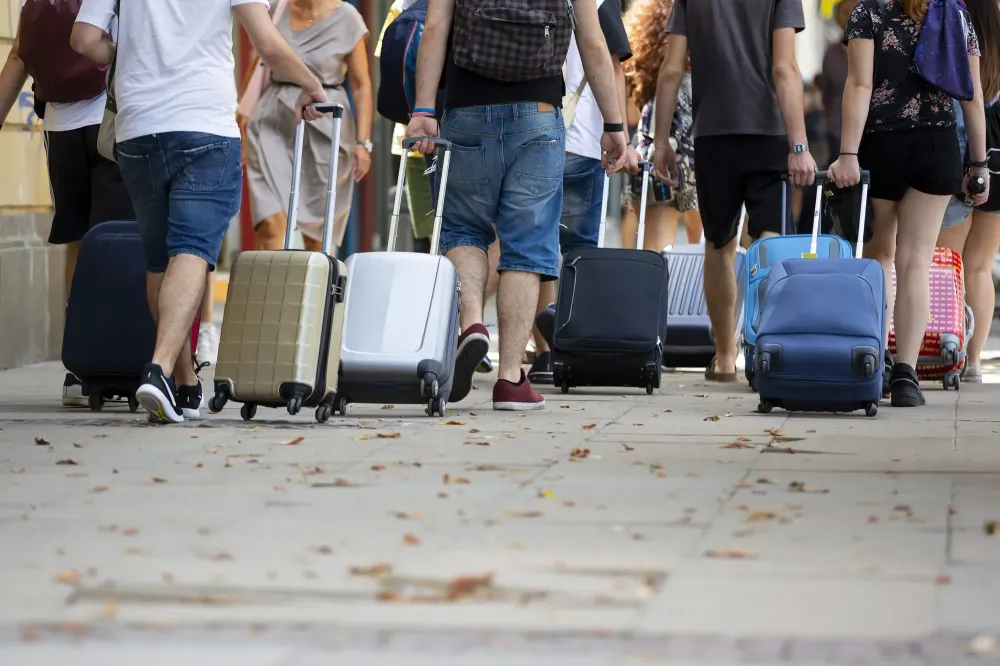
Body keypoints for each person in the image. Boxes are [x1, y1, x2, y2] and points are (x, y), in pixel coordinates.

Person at [72, 0, 329, 423]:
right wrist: (311, 84)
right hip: (203, 125)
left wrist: (135, 53)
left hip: (138, 128)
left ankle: (185, 380)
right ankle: (157, 369)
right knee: (191, 249)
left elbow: (83, 39)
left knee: (160, 259)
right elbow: (265, 40)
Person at [407, 0, 628, 411]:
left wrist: (423, 109)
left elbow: (435, 27)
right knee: (528, 243)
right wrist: (614, 126)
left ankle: (471, 321)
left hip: (466, 112)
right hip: (539, 115)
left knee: (463, 228)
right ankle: (511, 378)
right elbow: (593, 42)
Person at [828, 0, 989, 407]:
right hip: (936, 146)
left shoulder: (868, 12)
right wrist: (979, 163)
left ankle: (875, 361)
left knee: (880, 255)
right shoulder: (955, 13)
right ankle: (906, 375)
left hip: (883, 145)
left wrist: (848, 154)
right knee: (917, 260)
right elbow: (971, 96)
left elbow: (860, 85)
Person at [653, 0, 816, 383]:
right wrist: (800, 146)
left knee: (719, 243)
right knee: (770, 241)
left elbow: (672, 68)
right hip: (769, 133)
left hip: (713, 133)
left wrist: (661, 142)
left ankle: (725, 358)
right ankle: (765, 348)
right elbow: (785, 68)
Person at [0, 0, 135, 407]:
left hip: (60, 131)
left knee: (80, 242)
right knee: (118, 243)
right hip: (111, 125)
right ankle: (117, 360)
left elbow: (19, 55)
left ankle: (76, 369)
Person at [526, 0, 637, 385]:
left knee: (535, 245)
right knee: (579, 250)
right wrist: (618, 127)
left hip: (532, 132)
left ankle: (541, 354)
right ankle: (570, 342)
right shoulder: (600, 4)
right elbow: (615, 68)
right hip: (584, 139)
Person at [246, 0, 372, 253]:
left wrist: (363, 143)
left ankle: (312, 291)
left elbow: (361, 86)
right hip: (274, 121)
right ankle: (270, 292)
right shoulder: (274, 9)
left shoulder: (348, 18)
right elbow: (254, 65)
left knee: (317, 238)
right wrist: (241, 118)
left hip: (327, 124)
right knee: (270, 224)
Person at [935, 0, 1000, 384]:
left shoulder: (954, 29)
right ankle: (973, 361)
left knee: (947, 265)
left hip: (965, 160)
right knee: (978, 267)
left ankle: (948, 351)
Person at [619, 0, 701, 252]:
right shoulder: (707, 13)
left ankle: (652, 289)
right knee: (704, 247)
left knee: (655, 247)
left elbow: (632, 113)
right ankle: (691, 290)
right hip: (698, 132)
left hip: (654, 134)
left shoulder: (648, 50)